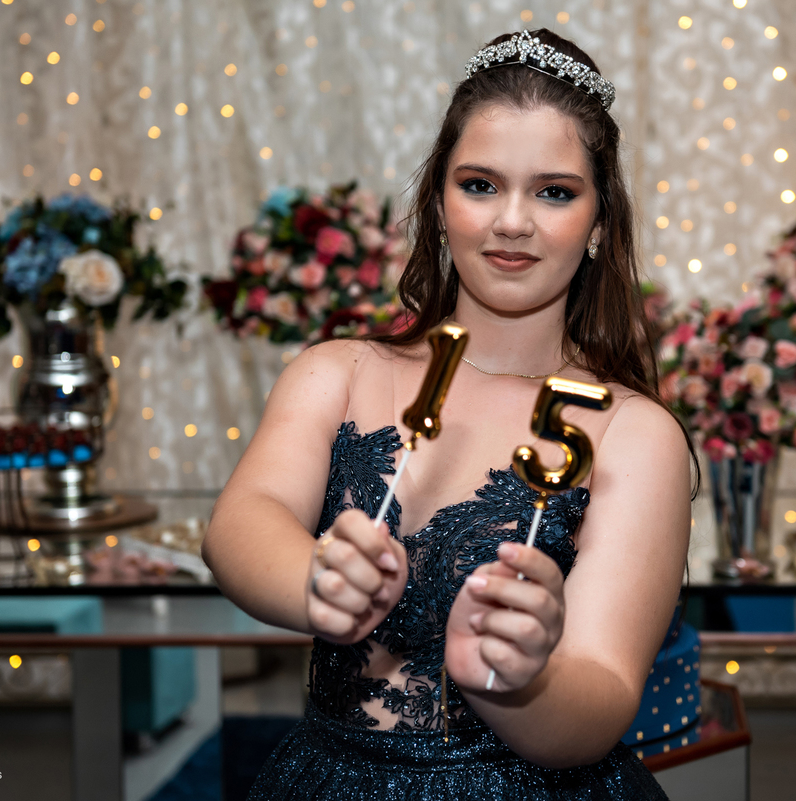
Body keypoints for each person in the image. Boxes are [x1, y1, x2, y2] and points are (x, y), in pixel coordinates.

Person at [202, 28, 695, 800]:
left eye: (555, 192)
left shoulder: (631, 433)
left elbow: (599, 701)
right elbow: (238, 524)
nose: (512, 221)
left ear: (601, 222)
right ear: (437, 201)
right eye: (481, 184)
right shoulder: (337, 374)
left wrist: (520, 680)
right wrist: (313, 578)